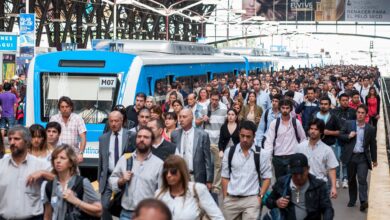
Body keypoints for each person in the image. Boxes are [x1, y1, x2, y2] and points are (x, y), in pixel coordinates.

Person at [221, 120, 272, 220]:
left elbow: (267, 178)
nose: (244, 139)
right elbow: (225, 176)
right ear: (239, 134)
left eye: (248, 136)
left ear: (254, 136)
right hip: (231, 200)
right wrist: (225, 197)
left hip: (252, 200)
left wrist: (260, 197)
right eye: (242, 135)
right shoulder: (229, 152)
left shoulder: (262, 154)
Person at [0, 126, 54, 219]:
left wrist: (43, 173)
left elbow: (62, 181)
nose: (12, 142)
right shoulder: (1, 164)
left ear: (27, 141)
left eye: (16, 139)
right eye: (10, 139)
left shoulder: (40, 165)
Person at [109, 127, 163, 220]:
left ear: (152, 141)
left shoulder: (159, 164)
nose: (142, 139)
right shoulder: (125, 159)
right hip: (126, 214)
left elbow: (162, 192)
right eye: (139, 136)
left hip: (148, 215)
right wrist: (121, 180)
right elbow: (112, 181)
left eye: (146, 137)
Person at [264, 153, 334, 220]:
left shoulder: (319, 186)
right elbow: (268, 202)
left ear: (308, 169)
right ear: (289, 169)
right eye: (295, 173)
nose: (299, 177)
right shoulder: (282, 183)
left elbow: (327, 208)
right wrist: (276, 203)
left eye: (301, 173)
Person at [155, 155, 224, 220]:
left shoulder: (197, 189)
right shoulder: (159, 194)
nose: (168, 175)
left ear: (182, 171)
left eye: (173, 171)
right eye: (165, 172)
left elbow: (217, 217)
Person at [43, 145, 102, 219]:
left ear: (71, 163)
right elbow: (48, 215)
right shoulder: (49, 185)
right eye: (55, 158)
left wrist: (76, 201)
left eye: (62, 158)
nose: (58, 161)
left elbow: (99, 210)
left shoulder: (82, 182)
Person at [339, 104, 377, 211]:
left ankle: (363, 201)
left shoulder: (370, 129)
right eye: (358, 112)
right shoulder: (348, 123)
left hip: (363, 158)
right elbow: (340, 135)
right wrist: (348, 136)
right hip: (351, 156)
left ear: (366, 115)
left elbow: (373, 145)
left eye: (362, 113)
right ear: (356, 113)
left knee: (362, 179)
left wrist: (374, 160)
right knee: (351, 179)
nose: (360, 115)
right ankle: (352, 200)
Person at [98, 111, 136, 220]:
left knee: (123, 207)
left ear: (122, 121)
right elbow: (101, 161)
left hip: (124, 177)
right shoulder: (103, 138)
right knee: (104, 207)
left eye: (116, 121)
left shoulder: (130, 135)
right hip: (108, 177)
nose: (113, 124)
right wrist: (100, 179)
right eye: (111, 121)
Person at [295, 119, 339, 199]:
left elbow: (332, 169)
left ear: (321, 132)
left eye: (316, 129)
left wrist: (333, 187)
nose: (313, 131)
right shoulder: (300, 147)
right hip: (303, 186)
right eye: (311, 129)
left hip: (320, 185)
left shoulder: (327, 149)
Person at [263, 99, 306, 179]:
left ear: (290, 109)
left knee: (292, 183)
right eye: (283, 108)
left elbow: (303, 139)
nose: (285, 110)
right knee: (280, 183)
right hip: (278, 158)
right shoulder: (274, 123)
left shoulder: (296, 122)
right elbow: (269, 141)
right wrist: (267, 159)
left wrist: (301, 155)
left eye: (287, 108)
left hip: (292, 157)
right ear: (280, 108)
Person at [172, 109, 213, 188]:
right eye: (180, 117)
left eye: (184, 117)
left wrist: (209, 180)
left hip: (196, 176)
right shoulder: (175, 134)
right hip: (179, 176)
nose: (181, 119)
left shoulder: (202, 135)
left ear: (191, 118)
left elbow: (208, 159)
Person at [199, 91, 227, 195]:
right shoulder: (205, 108)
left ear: (219, 99)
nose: (214, 102)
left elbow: (225, 125)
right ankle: (207, 183)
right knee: (206, 164)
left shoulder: (224, 109)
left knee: (218, 165)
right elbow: (197, 122)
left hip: (218, 141)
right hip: (207, 140)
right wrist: (202, 119)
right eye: (213, 99)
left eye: (216, 100)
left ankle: (216, 187)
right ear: (210, 98)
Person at [50, 96, 87, 163]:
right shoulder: (54, 119)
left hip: (73, 155)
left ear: (71, 107)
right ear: (59, 108)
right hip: (58, 154)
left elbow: (83, 137)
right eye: (62, 107)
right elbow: (50, 136)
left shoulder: (78, 119)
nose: (64, 109)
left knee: (73, 173)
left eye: (67, 107)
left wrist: (81, 153)